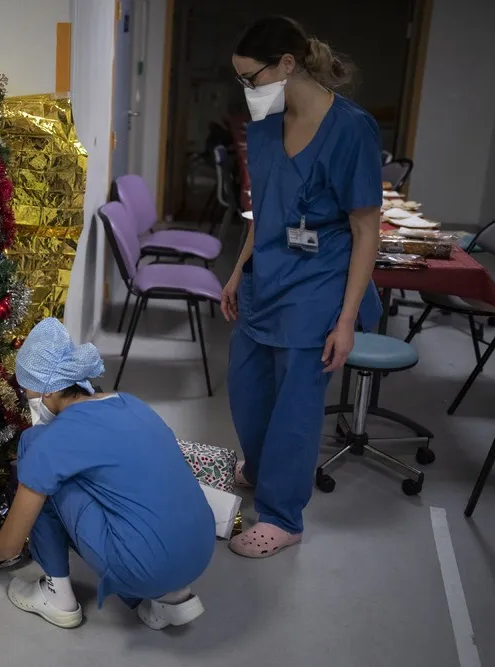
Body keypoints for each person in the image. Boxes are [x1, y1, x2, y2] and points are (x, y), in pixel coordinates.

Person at [220, 17, 382, 558]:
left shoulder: (351, 129)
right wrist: (238, 270)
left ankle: (283, 516)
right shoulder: (267, 127)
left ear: (287, 64)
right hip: (265, 276)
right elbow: (263, 212)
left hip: (318, 286)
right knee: (247, 391)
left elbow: (366, 229)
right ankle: (262, 470)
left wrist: (345, 320)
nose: (248, 89)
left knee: (295, 408)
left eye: (251, 78)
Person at [0, 318, 214, 630]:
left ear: (48, 392)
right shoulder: (130, 403)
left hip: (146, 569)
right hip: (201, 550)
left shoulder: (50, 442)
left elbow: (9, 548)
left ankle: (56, 595)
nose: (27, 400)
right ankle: (171, 598)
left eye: (27, 391)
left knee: (34, 448)